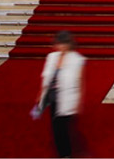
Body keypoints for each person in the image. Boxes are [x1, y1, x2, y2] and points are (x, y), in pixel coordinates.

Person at [38, 30, 85, 158]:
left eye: (65, 44)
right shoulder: (52, 57)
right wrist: (41, 95)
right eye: (60, 43)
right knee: (55, 126)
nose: (62, 46)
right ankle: (62, 151)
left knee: (61, 127)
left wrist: (78, 101)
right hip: (52, 96)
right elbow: (46, 78)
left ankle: (65, 153)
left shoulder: (77, 60)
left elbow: (79, 81)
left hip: (67, 96)